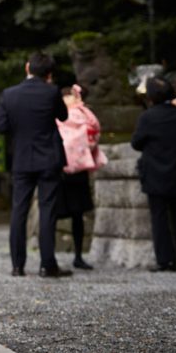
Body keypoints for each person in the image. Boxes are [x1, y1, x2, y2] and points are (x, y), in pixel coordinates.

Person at [0, 51, 70, 278]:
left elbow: (2, 127)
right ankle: (47, 265)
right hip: (49, 157)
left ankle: (18, 265)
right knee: (47, 210)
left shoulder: (9, 94)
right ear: (49, 73)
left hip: (21, 157)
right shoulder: (51, 92)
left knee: (19, 210)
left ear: (27, 67)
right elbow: (63, 116)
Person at [131, 76, 176, 272]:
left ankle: (166, 260)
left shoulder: (147, 117)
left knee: (159, 217)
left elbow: (136, 143)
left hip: (155, 172)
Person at [55, 84, 107, 270]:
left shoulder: (76, 115)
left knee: (73, 214)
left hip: (62, 169)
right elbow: (94, 135)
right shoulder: (84, 116)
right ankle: (70, 256)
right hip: (71, 169)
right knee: (70, 214)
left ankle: (74, 255)